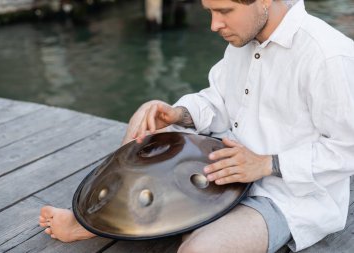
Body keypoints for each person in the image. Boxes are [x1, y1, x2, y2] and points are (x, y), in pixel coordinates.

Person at [39, 0, 354, 252]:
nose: (214, 25)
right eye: (210, 11)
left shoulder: (327, 55)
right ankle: (96, 220)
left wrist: (265, 164)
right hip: (223, 166)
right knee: (146, 132)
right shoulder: (243, 40)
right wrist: (176, 115)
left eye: (224, 11)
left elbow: (348, 149)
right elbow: (218, 101)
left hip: (286, 195)